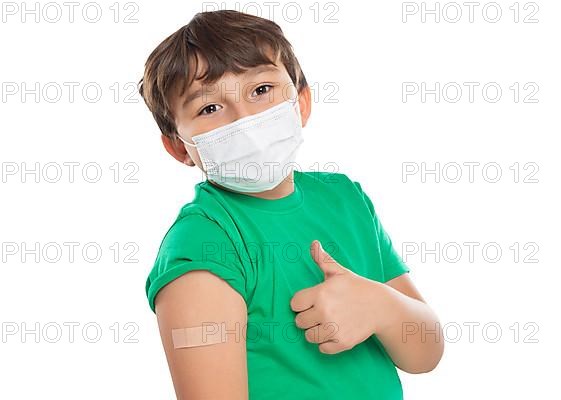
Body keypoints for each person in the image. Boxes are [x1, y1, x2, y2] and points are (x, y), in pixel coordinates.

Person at [138, 9, 444, 399]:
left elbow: (426, 353)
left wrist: (381, 306)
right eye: (209, 108)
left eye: (261, 90)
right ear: (178, 146)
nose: (245, 119)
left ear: (301, 102)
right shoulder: (202, 246)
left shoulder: (345, 199)